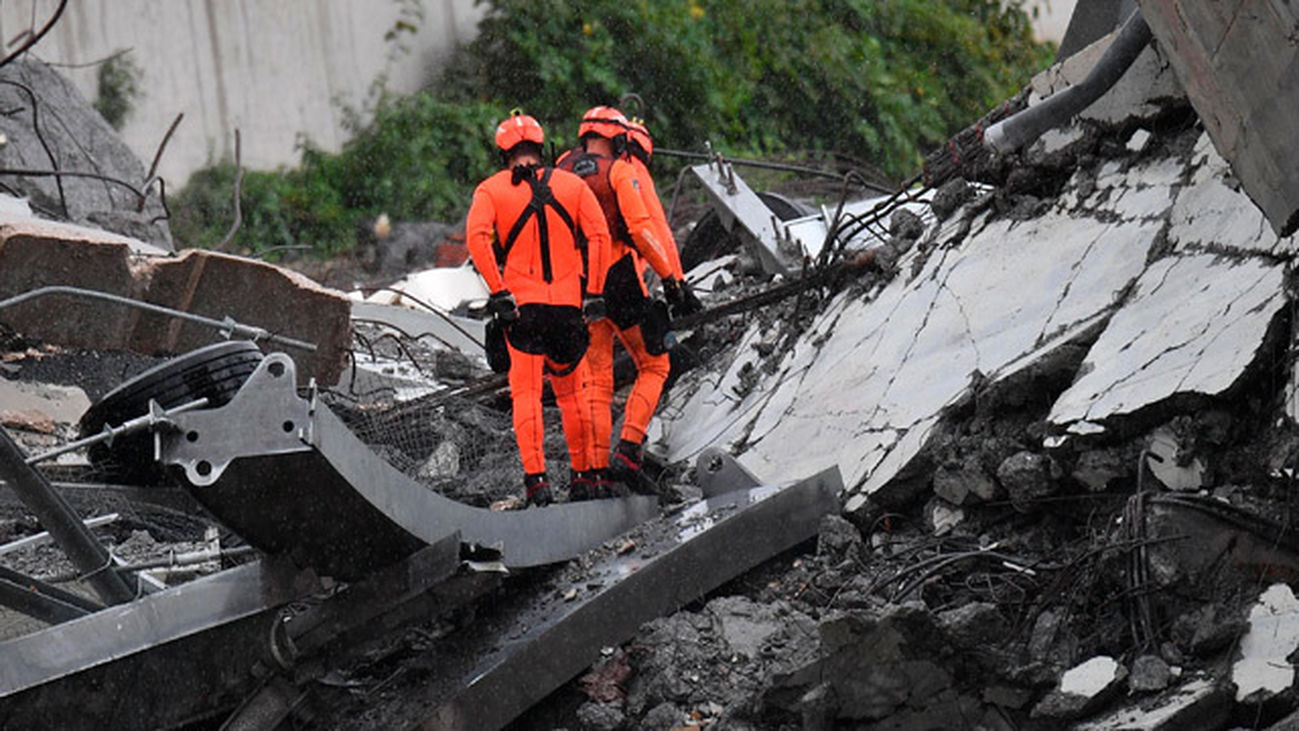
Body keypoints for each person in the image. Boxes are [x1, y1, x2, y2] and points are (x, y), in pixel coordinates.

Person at [465, 110, 612, 506]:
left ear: (503, 154)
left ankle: (538, 483)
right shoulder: (571, 185)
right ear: (541, 148)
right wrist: (594, 291)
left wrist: (498, 290)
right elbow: (598, 236)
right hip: (567, 310)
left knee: (526, 396)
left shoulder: (491, 191)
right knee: (573, 397)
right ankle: (584, 478)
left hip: (522, 312)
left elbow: (476, 239)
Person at [556, 106, 687, 492]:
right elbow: (644, 229)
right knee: (655, 364)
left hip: (578, 284)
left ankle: (594, 472)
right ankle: (628, 452)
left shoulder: (559, 171)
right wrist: (672, 280)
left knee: (596, 380)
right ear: (618, 138)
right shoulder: (620, 170)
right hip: (617, 277)